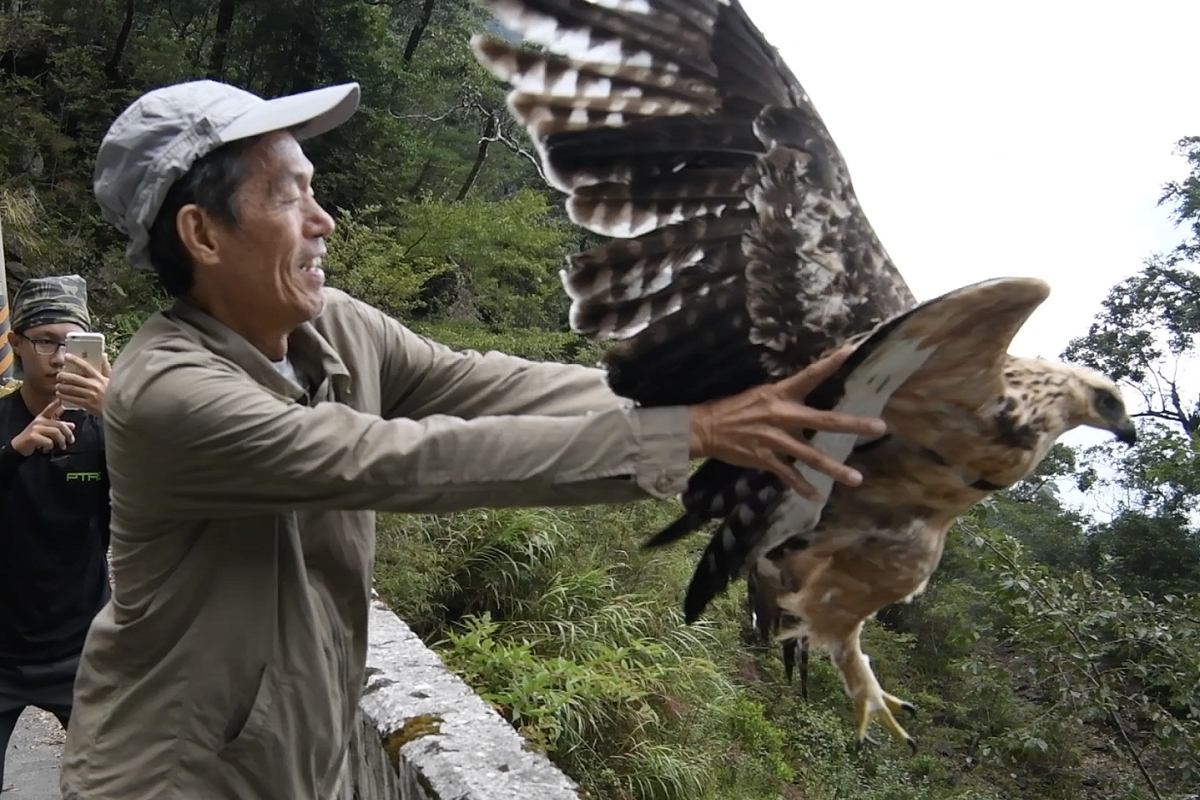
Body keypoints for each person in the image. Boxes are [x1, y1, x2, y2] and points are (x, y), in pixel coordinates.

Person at [59, 79, 888, 800]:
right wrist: (697, 434)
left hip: (295, 762)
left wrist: (703, 395)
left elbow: (483, 383)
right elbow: (405, 460)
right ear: (203, 235)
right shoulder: (171, 394)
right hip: (172, 775)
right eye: (288, 196)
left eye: (316, 190)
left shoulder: (335, 326)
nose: (326, 221)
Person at [0, 274, 111, 794]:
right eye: (46, 340)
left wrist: (118, 416)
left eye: (74, 342)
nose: (60, 356)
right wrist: (15, 452)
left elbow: (165, 501)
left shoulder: (106, 429)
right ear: (15, 342)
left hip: (82, 649)